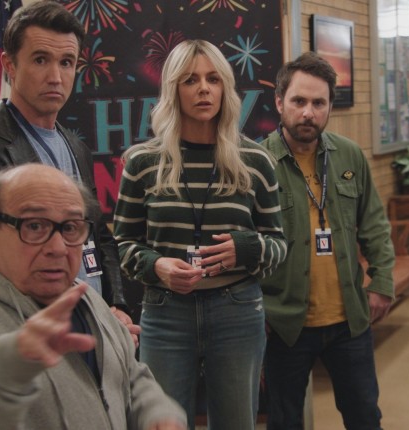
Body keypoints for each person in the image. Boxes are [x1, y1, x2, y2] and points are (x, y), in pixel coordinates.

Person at [0, 164, 187, 430]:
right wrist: (9, 367)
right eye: (34, 225)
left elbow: (131, 377)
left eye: (70, 227)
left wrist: (156, 412)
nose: (58, 248)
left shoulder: (86, 298)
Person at [112, 39, 286, 430]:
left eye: (213, 79)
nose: (203, 89)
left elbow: (278, 245)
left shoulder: (255, 160)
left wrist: (246, 248)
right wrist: (157, 266)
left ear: (225, 87)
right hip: (166, 310)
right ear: (173, 89)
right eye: (190, 80)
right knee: (163, 423)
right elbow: (122, 244)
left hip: (236, 309)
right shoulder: (142, 162)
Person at [0, 0, 137, 343]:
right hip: (33, 335)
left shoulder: (75, 146)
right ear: (10, 65)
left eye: (66, 62)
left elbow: (97, 233)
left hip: (92, 322)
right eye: (40, 60)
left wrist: (115, 305)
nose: (55, 77)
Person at [261, 51, 395, 430]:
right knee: (284, 421)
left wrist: (382, 283)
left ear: (330, 106)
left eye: (319, 103)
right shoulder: (256, 162)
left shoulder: (349, 155)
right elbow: (245, 243)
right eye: (299, 101)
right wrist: (255, 310)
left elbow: (374, 225)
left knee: (365, 416)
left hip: (349, 321)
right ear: (280, 102)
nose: (308, 113)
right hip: (283, 323)